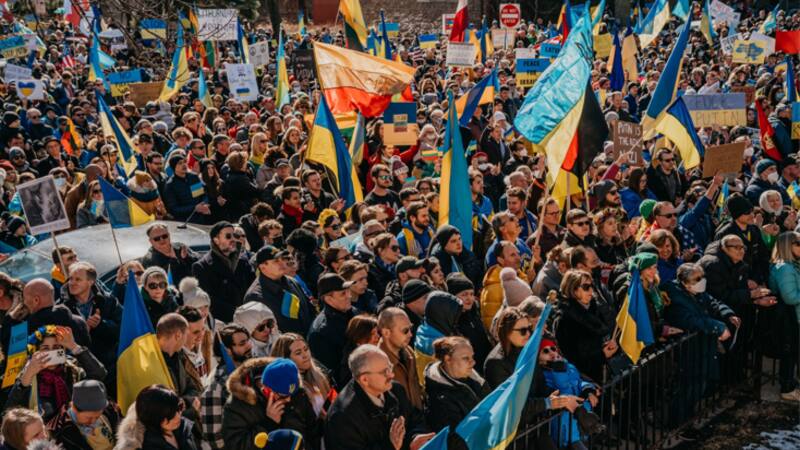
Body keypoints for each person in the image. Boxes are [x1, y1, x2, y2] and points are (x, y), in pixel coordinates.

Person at [325, 345, 433, 450]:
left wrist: (414, 437)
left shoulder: (395, 389)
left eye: (390, 367)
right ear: (364, 380)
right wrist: (390, 446)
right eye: (384, 372)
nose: (391, 375)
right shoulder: (342, 418)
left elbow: (415, 418)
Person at [6, 326, 107, 422]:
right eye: (45, 348)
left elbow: (99, 375)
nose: (51, 352)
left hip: (72, 430)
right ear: (35, 352)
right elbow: (10, 410)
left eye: (56, 347)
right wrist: (28, 375)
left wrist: (74, 346)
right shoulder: (28, 372)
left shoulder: (72, 368)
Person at [222, 358, 322, 450]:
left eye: (292, 394)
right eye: (283, 396)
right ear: (266, 390)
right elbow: (236, 445)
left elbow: (313, 432)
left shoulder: (294, 390)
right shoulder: (238, 405)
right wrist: (269, 424)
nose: (288, 399)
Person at [1, 279, 90, 358]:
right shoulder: (79, 321)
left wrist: (10, 320)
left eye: (24, 298)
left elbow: (12, 362)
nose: (24, 302)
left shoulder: (27, 331)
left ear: (36, 300)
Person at [200, 323, 252, 450]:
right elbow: (214, 438)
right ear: (228, 350)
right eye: (242, 344)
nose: (249, 346)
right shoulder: (216, 387)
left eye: (247, 341)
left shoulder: (252, 373)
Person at [192, 221, 256, 323]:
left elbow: (254, 286)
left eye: (234, 235)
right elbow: (209, 300)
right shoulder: (202, 266)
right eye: (228, 236)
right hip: (224, 323)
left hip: (249, 316)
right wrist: (236, 313)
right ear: (216, 240)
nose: (233, 239)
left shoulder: (243, 261)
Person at [243, 245, 314, 336]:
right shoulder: (255, 297)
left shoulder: (293, 281)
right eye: (276, 261)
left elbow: (310, 310)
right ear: (263, 267)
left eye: (282, 259)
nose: (282, 263)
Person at [424, 336, 490, 433]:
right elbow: (456, 439)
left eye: (472, 357)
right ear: (448, 359)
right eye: (465, 358)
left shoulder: (473, 377)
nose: (473, 362)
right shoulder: (440, 400)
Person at [270, 333, 337, 420]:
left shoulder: (321, 372)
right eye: (298, 353)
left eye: (306, 349)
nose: (305, 355)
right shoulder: (286, 390)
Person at [767, 232, 800, 401]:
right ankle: (787, 388)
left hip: (791, 316)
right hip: (789, 317)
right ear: (787, 246)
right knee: (790, 352)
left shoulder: (790, 265)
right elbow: (790, 297)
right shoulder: (785, 268)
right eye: (798, 244)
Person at [115, 385, 201, 450]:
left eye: (178, 408)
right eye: (169, 417)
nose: (178, 417)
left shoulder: (181, 426)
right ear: (154, 420)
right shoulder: (147, 446)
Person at [47, 380, 122, 450]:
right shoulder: (61, 431)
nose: (93, 421)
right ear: (74, 408)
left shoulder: (111, 410)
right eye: (88, 418)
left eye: (97, 417)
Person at [155, 313, 203, 422]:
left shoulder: (180, 357)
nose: (186, 339)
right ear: (178, 335)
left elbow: (193, 388)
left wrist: (183, 402)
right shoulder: (153, 365)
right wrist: (192, 411)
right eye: (186, 334)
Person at [307, 273, 357, 375]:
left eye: (348, 291)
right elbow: (333, 372)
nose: (349, 296)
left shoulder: (353, 311)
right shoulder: (320, 333)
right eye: (343, 293)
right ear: (329, 299)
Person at [377, 307, 424, 413]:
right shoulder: (377, 364)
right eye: (405, 331)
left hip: (419, 421)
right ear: (386, 333)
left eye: (410, 328)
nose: (410, 334)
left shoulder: (409, 352)